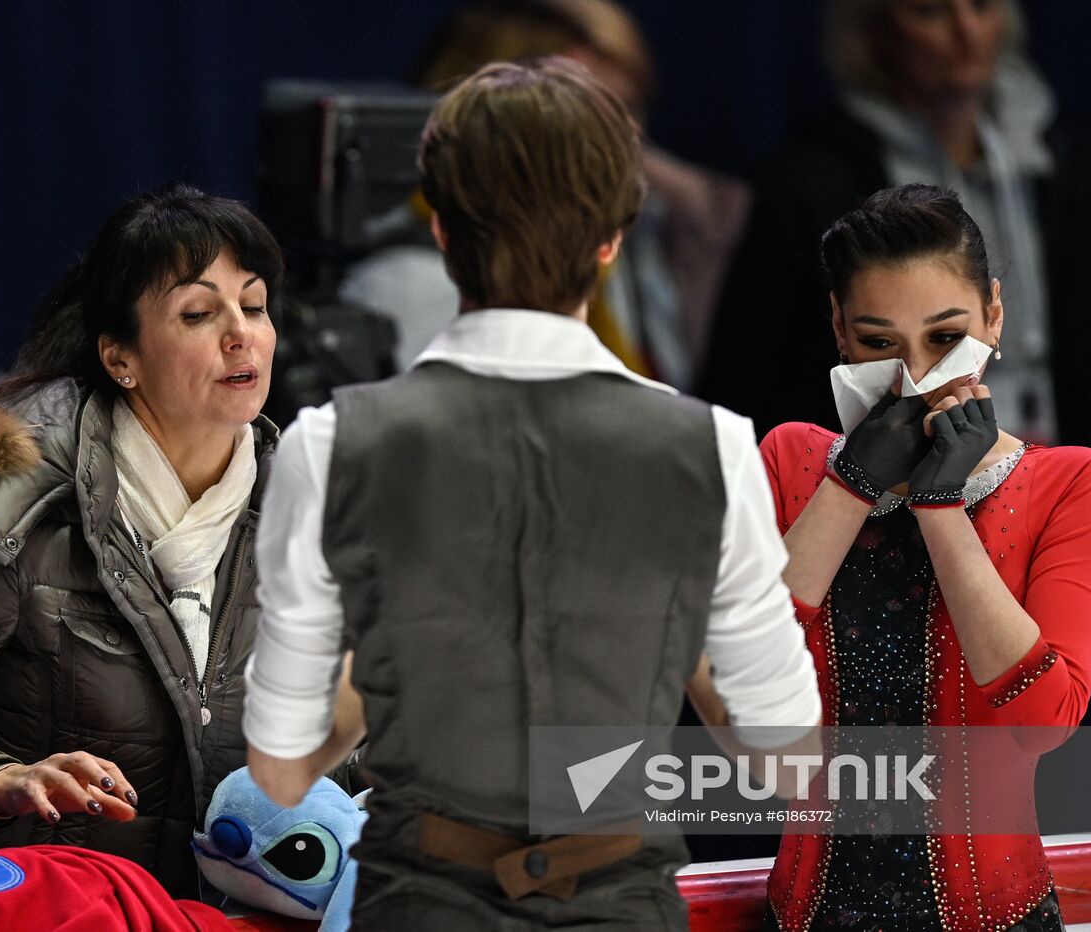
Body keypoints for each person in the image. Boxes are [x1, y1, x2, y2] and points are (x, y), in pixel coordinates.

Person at [244, 58, 822, 930]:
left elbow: (285, 766)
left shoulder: (328, 445)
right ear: (611, 239)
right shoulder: (713, 449)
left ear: (440, 229)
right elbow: (784, 758)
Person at [0, 184, 285, 923]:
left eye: (253, 306)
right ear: (120, 357)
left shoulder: (304, 515)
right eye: (198, 313)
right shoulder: (9, 511)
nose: (241, 335)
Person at [760, 184, 1091, 931]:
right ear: (838, 330)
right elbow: (743, 694)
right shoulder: (791, 461)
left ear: (994, 313)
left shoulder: (1070, 483)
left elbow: (1043, 722)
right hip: (804, 914)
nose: (915, 378)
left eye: (944, 337)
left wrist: (940, 509)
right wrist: (851, 485)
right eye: (880, 343)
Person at [702, 0, 1091, 462]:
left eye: (982, 6)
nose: (966, 30)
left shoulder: (1060, 167)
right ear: (878, 31)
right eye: (931, 12)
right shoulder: (814, 183)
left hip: (1042, 454)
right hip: (877, 484)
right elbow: (756, 367)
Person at [340, 0, 750, 389]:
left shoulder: (615, 256)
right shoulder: (408, 286)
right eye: (587, 115)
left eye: (629, 110)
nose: (621, 144)